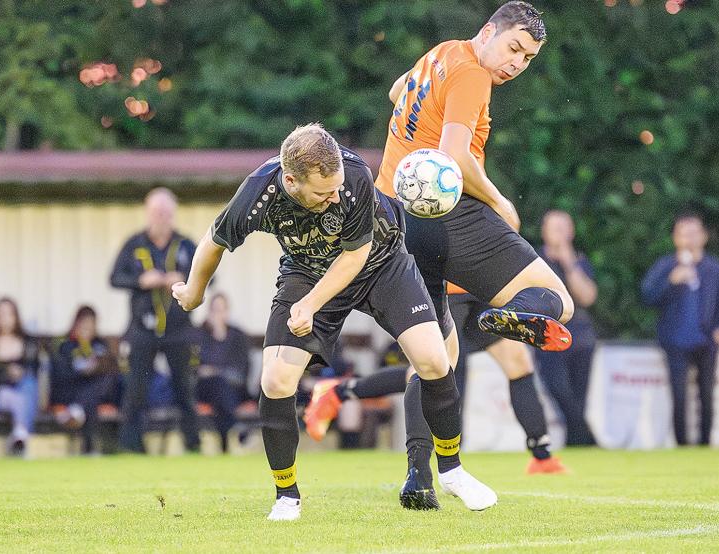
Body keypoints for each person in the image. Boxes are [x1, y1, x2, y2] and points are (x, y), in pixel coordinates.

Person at [307, 1, 576, 509]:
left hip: (394, 217)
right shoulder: (472, 73)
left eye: (528, 58)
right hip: (448, 215)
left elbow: (395, 93)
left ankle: (418, 479)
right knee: (559, 303)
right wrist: (498, 200)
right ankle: (504, 317)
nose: (517, 63)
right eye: (514, 48)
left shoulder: (443, 54)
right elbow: (453, 158)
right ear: (488, 31)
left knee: (434, 357)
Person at [171, 123, 496, 521]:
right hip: (305, 270)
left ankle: (452, 470)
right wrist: (194, 291)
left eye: (337, 186)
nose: (335, 196)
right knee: (275, 380)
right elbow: (213, 241)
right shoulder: (260, 192)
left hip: (381, 263)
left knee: (433, 360)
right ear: (291, 180)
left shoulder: (353, 174)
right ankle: (286, 496)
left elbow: (354, 258)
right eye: (323, 193)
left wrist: (309, 305)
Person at [309, 283, 568, 474]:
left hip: (477, 286)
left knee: (518, 362)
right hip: (443, 288)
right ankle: (337, 392)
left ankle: (541, 457)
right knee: (432, 372)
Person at [110, 187, 201, 454]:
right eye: (156, 212)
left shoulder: (185, 244)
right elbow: (115, 278)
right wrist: (141, 281)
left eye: (165, 212)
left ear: (173, 214)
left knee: (185, 388)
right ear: (148, 213)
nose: (161, 217)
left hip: (179, 329)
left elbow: (209, 276)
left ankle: (193, 444)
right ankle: (131, 446)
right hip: (142, 329)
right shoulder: (135, 244)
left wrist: (183, 278)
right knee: (135, 389)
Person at [641, 212, 719, 446]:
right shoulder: (666, 266)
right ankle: (681, 444)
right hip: (675, 342)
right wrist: (671, 280)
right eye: (684, 234)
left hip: (707, 341)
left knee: (706, 395)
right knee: (679, 396)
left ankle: (705, 444)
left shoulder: (714, 269)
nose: (689, 239)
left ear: (703, 236)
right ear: (675, 238)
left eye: (694, 233)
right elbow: (648, 296)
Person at [534, 210, 599, 446]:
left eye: (564, 228)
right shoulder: (535, 261)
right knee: (561, 393)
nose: (560, 234)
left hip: (580, 337)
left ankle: (578, 447)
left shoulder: (578, 261)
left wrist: (568, 261)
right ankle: (590, 442)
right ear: (544, 231)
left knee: (579, 399)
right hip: (548, 338)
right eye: (555, 228)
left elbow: (587, 297)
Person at [50, 306, 122, 454]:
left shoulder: (100, 345)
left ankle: (78, 412)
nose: (87, 329)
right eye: (84, 325)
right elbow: (60, 375)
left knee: (104, 383)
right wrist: (83, 372)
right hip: (72, 390)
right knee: (89, 397)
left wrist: (96, 367)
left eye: (91, 325)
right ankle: (90, 447)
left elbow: (112, 369)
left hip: (97, 392)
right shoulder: (65, 346)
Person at [195, 293, 252, 453]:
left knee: (221, 386)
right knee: (218, 385)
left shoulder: (237, 335)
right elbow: (195, 367)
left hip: (233, 387)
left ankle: (227, 434)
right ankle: (234, 429)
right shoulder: (200, 334)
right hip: (206, 389)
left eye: (222, 309)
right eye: (215, 310)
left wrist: (216, 371)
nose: (218, 314)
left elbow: (242, 367)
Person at [0, 298, 41, 456]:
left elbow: (35, 369)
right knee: (18, 396)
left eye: (9, 314)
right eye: (1, 314)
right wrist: (7, 373)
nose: (5, 319)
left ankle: (20, 433)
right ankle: (21, 435)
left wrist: (20, 373)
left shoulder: (28, 343)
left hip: (24, 391)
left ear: (15, 317)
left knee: (28, 384)